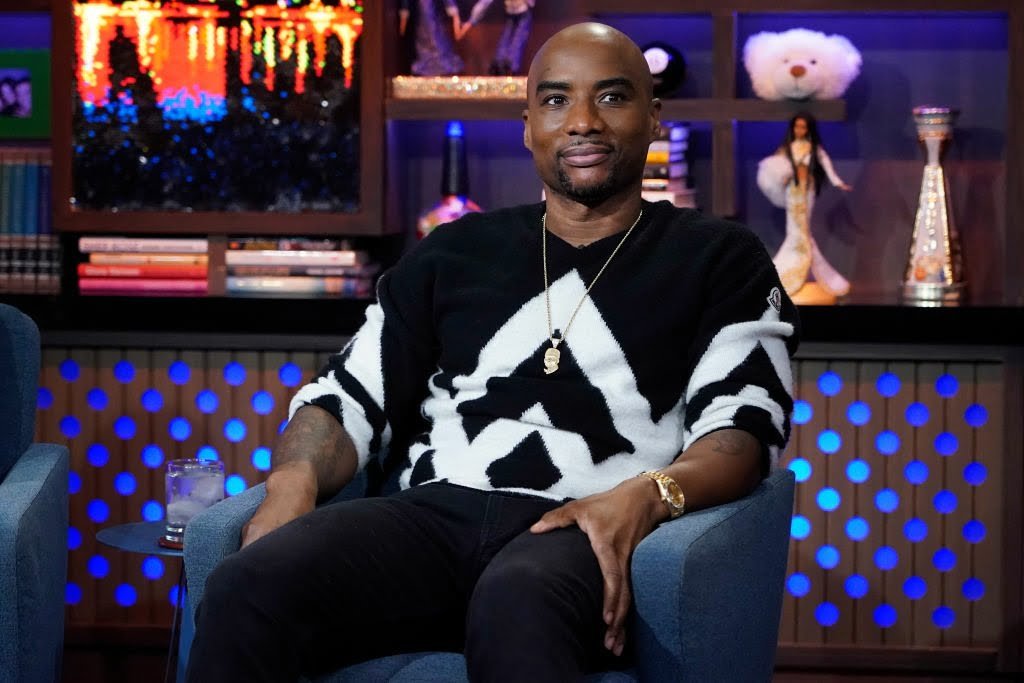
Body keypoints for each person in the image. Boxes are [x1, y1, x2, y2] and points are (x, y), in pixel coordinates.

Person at [186, 22, 799, 683]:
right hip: (432, 516)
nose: (582, 121)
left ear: (653, 117)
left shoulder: (718, 257)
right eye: (557, 100)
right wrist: (290, 483)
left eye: (612, 97)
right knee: (248, 584)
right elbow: (345, 399)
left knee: (517, 600)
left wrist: (648, 497)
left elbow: (743, 431)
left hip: (579, 526)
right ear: (529, 125)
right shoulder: (454, 250)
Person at [757, 112, 853, 301]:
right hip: (792, 191)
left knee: (803, 230)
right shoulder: (787, 148)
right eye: (797, 126)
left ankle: (798, 272)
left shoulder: (813, 148)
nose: (799, 130)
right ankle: (791, 273)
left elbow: (826, 165)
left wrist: (838, 182)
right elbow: (774, 167)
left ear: (809, 129)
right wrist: (781, 177)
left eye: (803, 127)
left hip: (807, 191)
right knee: (795, 232)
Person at [456, 0, 536, 75]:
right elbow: (484, 3)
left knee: (517, 41)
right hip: (512, 14)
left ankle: (508, 66)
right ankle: (501, 65)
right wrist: (471, 22)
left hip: (522, 12)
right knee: (507, 41)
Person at [399, 0, 463, 76]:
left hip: (432, 15)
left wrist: (454, 14)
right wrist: (403, 19)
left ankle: (436, 63)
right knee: (424, 33)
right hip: (420, 17)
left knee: (433, 32)